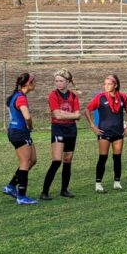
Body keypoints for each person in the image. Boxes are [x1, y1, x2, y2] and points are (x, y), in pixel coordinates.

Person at [85, 74, 127, 193]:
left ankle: (117, 182)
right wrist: (93, 126)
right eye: (105, 84)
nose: (106, 86)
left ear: (115, 85)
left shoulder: (123, 97)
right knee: (103, 158)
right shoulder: (100, 97)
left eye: (109, 84)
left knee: (117, 158)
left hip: (118, 132)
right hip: (104, 132)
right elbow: (87, 110)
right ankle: (98, 183)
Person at [40, 69, 81, 200]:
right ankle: (44, 192)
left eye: (61, 81)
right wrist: (72, 115)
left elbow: (78, 115)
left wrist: (65, 114)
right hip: (58, 129)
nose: (58, 83)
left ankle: (64, 190)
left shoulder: (73, 96)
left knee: (68, 160)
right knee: (57, 160)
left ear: (68, 82)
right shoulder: (53, 95)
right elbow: (57, 115)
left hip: (71, 130)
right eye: (56, 81)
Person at [3, 73, 39, 205]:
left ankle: (11, 186)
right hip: (19, 133)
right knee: (25, 162)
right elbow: (27, 117)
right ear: (28, 84)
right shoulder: (21, 98)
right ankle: (21, 196)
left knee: (32, 160)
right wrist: (31, 126)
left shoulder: (18, 95)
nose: (35, 83)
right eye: (33, 81)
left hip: (20, 132)